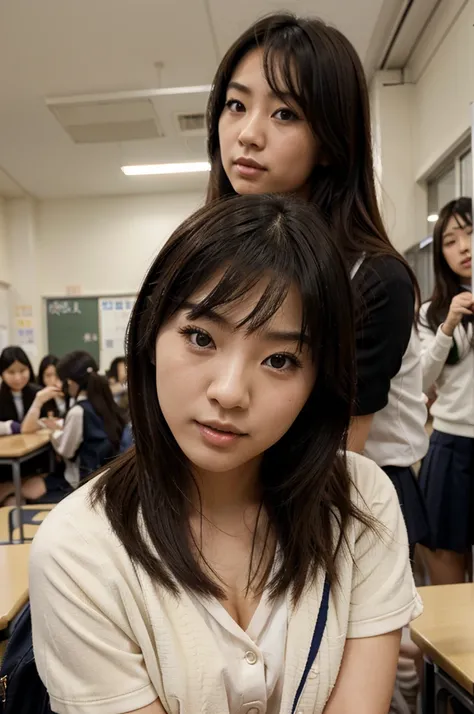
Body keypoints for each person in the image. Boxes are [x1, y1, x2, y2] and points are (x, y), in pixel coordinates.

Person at [30, 195, 422, 714]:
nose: (231, 391)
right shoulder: (79, 550)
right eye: (200, 337)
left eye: (280, 359)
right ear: (149, 336)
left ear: (318, 379)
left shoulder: (362, 504)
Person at [206, 12, 429, 555]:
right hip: (237, 497)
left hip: (341, 508)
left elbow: (333, 453)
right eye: (236, 105)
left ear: (329, 142)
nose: (248, 134)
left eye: (285, 113)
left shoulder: (374, 278)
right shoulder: (215, 261)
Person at [418, 197, 474, 585]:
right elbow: (421, 381)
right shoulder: (431, 311)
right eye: (451, 241)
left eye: (470, 234)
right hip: (451, 446)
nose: (464, 247)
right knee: (446, 576)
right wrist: (448, 325)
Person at [23, 351, 127, 488]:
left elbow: (66, 451)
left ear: (70, 382)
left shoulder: (78, 411)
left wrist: (54, 432)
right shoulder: (104, 402)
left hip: (80, 482)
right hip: (105, 476)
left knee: (28, 486)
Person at [0, 346, 46, 505]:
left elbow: (49, 421)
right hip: (6, 464)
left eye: (22, 370)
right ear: (2, 373)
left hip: (34, 461)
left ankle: (10, 489)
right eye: (11, 372)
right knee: (12, 503)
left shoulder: (38, 393)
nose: (18, 377)